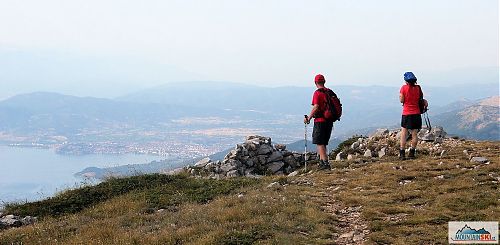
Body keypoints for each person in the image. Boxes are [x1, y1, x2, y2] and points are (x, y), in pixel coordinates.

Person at [304, 74, 334, 170]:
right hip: (329, 121)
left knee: (320, 142)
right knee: (324, 142)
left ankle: (325, 164)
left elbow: (316, 107)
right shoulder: (329, 92)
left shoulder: (317, 93)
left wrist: (309, 118)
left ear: (315, 82)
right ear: (324, 81)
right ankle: (322, 162)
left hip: (320, 120)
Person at [399, 71, 427, 160]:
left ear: (406, 80)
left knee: (404, 133)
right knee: (414, 134)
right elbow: (421, 98)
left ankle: (402, 154)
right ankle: (412, 153)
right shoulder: (418, 88)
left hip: (407, 113)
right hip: (416, 114)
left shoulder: (403, 88)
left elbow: (401, 100)